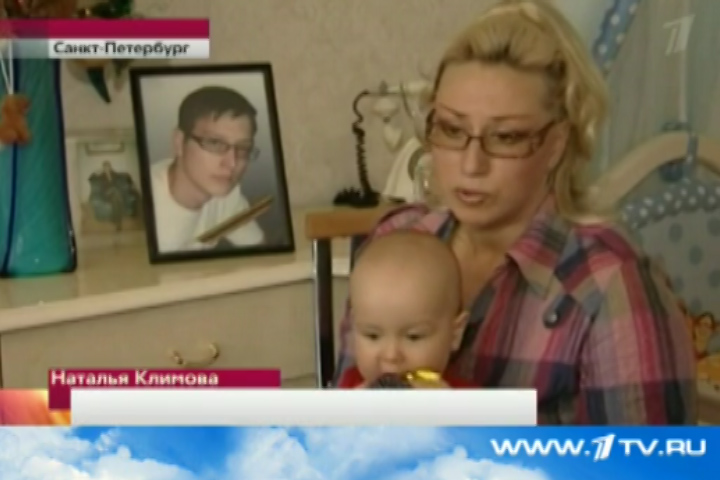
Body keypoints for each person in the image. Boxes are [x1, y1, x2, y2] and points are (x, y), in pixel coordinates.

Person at [335, 0, 697, 424]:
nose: (471, 165)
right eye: (452, 129)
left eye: (505, 137)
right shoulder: (396, 239)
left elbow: (651, 460)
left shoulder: (610, 285)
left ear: (557, 144)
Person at [336, 231, 472, 388]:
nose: (391, 355)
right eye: (372, 336)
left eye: (413, 337)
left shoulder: (468, 398)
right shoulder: (350, 388)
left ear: (455, 333)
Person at [151, 86, 264, 252]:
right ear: (179, 142)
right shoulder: (148, 203)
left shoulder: (227, 195)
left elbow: (263, 257)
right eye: (215, 143)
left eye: (243, 148)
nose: (232, 163)